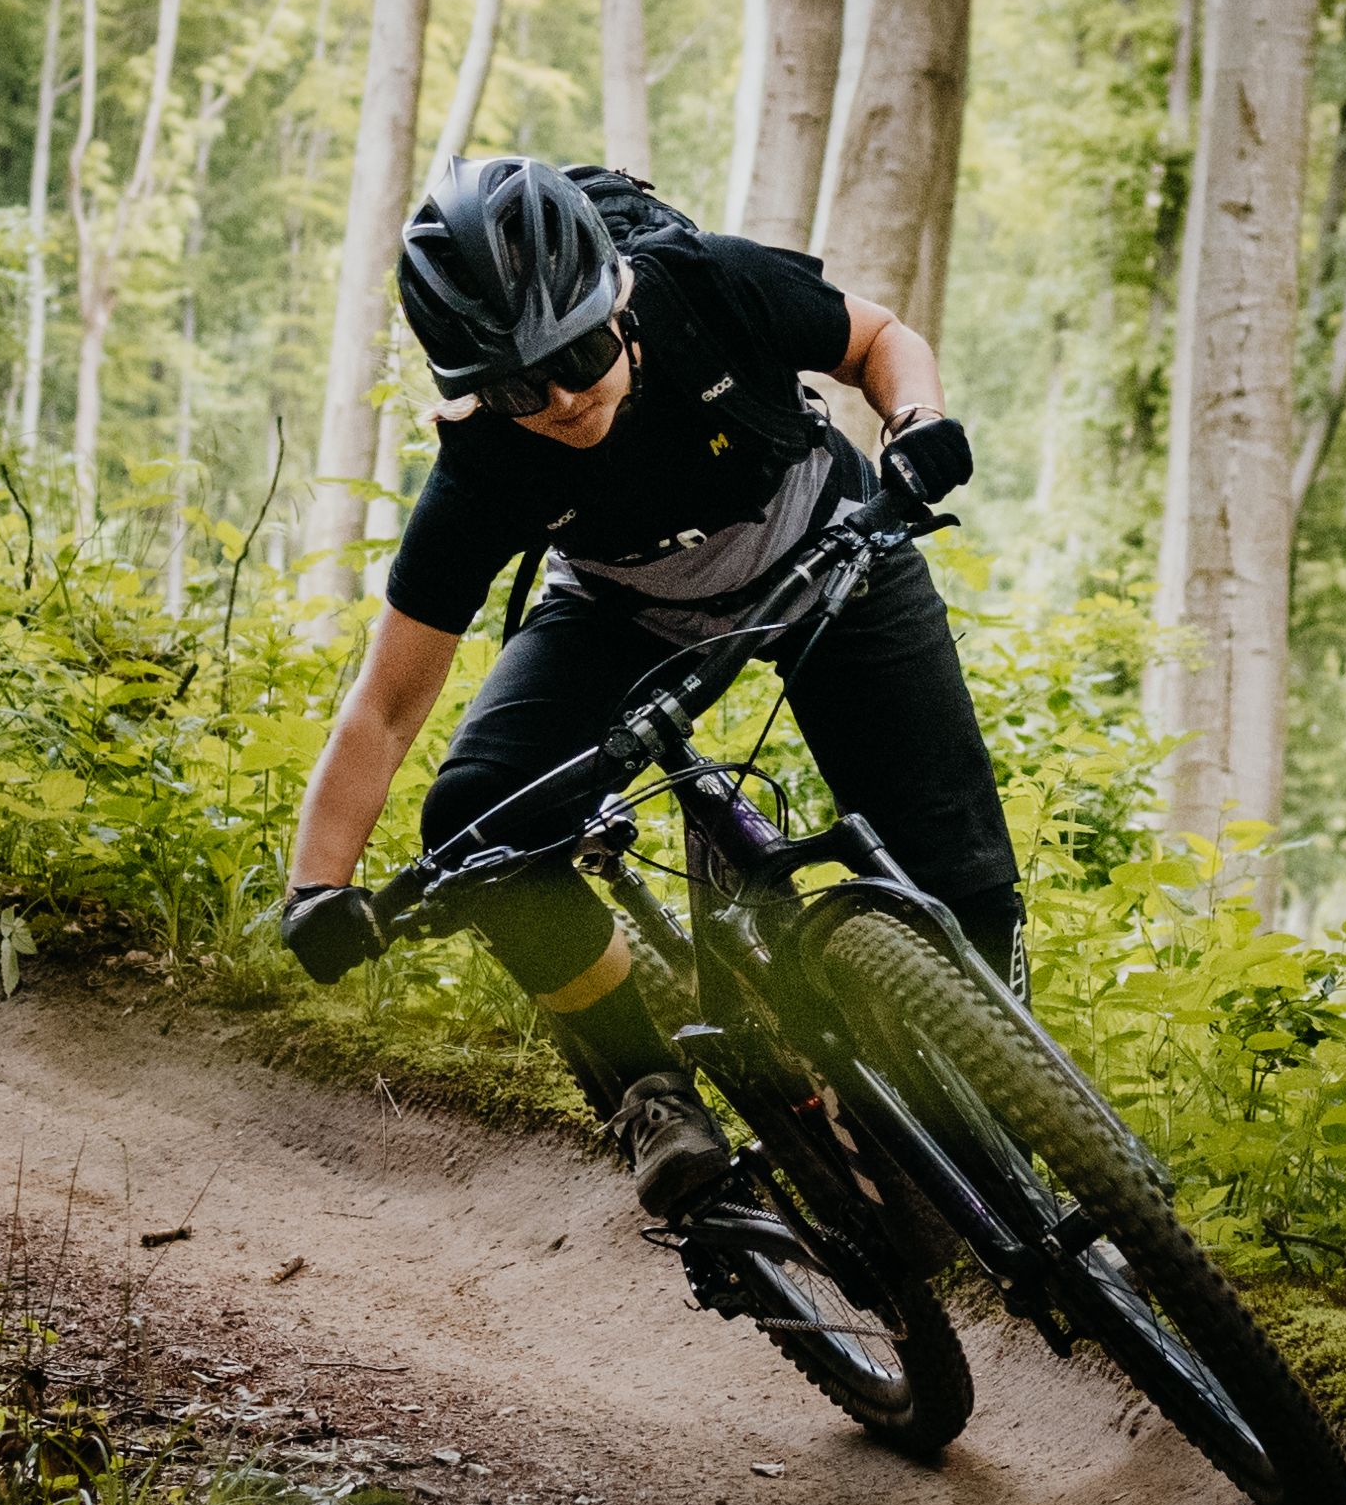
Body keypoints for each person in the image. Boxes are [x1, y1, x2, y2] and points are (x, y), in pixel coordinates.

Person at [266, 157, 1010, 1235]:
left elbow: (874, 340)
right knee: (475, 826)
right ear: (475, 389)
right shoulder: (483, 470)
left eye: (577, 355)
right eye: (522, 387)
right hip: (628, 611)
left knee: (960, 879)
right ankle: (646, 1092)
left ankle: (1019, 1130)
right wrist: (314, 890)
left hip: (827, 554)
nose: (564, 398)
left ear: (616, 301)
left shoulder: (704, 285)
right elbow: (384, 707)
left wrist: (916, 422)